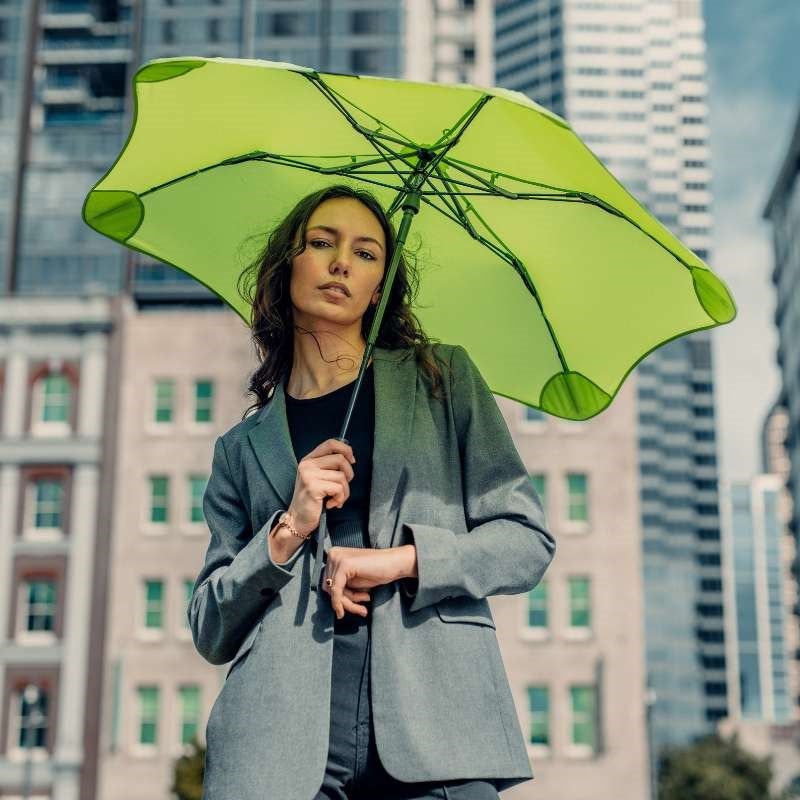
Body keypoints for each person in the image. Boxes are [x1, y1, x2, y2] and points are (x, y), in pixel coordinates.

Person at [189, 183, 556, 800]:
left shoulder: (443, 380)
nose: (340, 263)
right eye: (322, 243)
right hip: (281, 747)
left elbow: (526, 542)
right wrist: (290, 528)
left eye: (366, 254)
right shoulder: (240, 448)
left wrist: (400, 561)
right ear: (287, 267)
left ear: (381, 286)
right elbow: (210, 625)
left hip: (438, 725)